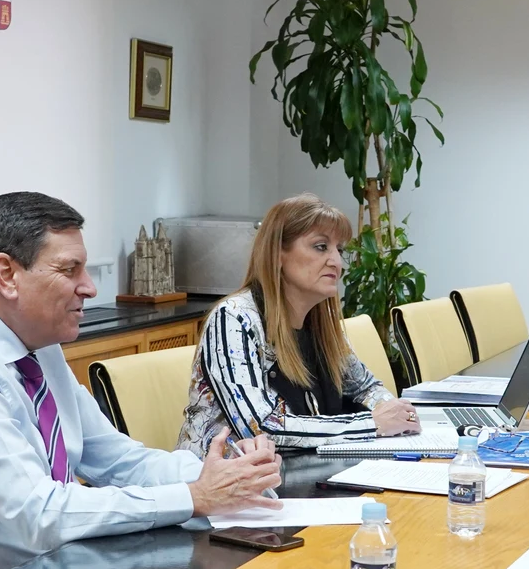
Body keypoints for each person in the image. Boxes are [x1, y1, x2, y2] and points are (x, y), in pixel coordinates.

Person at [0, 192, 281, 569]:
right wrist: (194, 497)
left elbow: (118, 460)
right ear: (7, 274)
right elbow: (41, 513)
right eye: (70, 270)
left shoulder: (38, 346)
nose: (88, 287)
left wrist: (229, 477)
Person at [179, 194, 419, 457]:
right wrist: (371, 425)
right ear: (278, 254)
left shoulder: (321, 325)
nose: (337, 262)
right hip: (224, 486)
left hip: (298, 475)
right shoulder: (234, 319)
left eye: (340, 250)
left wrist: (394, 415)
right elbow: (262, 428)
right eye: (320, 247)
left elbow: (364, 388)